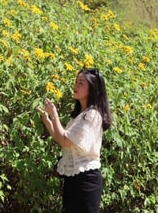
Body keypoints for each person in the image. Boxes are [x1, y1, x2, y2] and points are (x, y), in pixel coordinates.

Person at [37, 68, 112, 213]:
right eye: (76, 82)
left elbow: (65, 140)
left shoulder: (92, 115)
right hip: (74, 178)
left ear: (93, 88)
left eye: (81, 83)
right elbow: (62, 140)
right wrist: (48, 121)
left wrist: (55, 116)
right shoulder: (80, 115)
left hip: (87, 180)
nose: (75, 86)